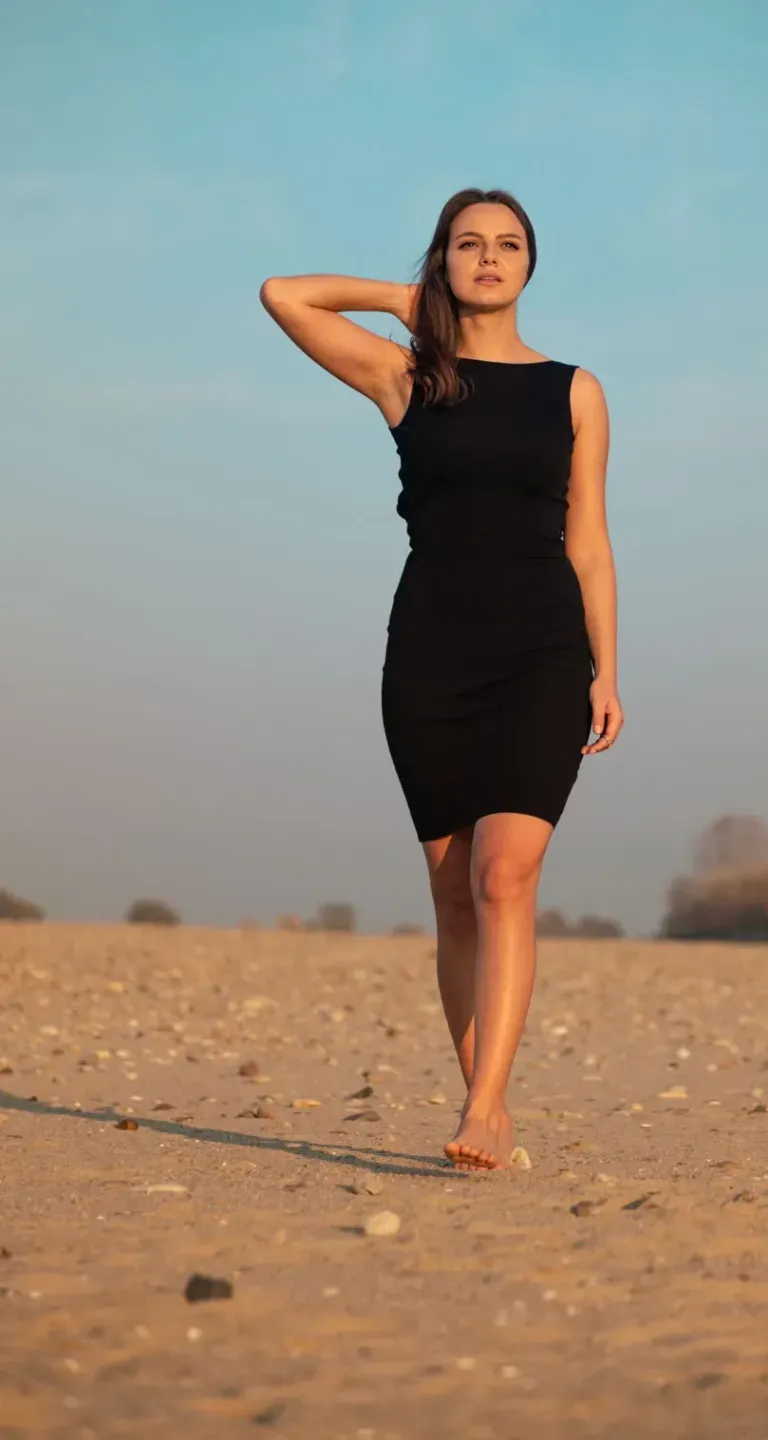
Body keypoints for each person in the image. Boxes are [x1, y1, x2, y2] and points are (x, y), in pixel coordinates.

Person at [260, 187, 623, 1171]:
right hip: (429, 656)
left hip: (542, 654)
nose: (489, 257)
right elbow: (282, 294)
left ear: (530, 265)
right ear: (442, 263)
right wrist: (406, 300)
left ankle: (487, 1108)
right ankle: (484, 1102)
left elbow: (587, 541)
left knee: (505, 873)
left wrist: (607, 670)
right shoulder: (401, 378)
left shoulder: (573, 390)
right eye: (467, 245)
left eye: (507, 244)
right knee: (453, 894)